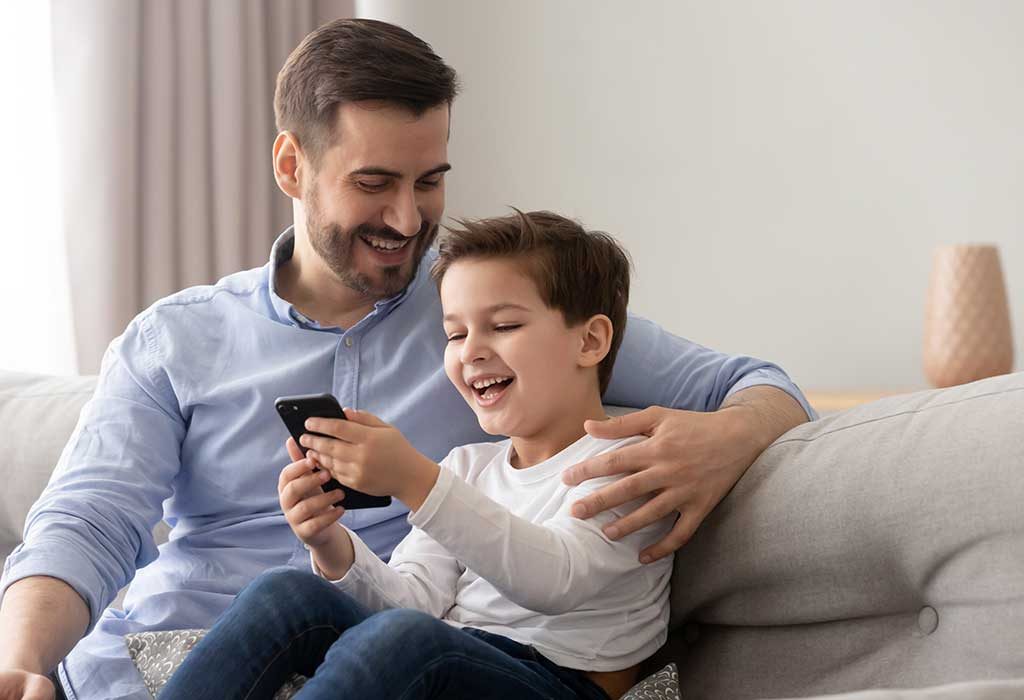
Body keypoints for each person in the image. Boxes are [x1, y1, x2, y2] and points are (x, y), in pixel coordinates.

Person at [0, 18, 812, 700]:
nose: (406, 216)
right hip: (157, 665)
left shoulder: (499, 305)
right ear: (293, 166)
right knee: (297, 599)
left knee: (394, 642)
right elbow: (86, 521)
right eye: (375, 182)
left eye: (430, 181)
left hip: (394, 664)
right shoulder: (174, 339)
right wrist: (22, 662)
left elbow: (752, 387)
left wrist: (725, 439)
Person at [162, 210, 675, 700]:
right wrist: (329, 545)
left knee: (406, 639)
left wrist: (415, 480)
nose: (470, 350)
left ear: (590, 340)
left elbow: (555, 580)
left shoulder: (630, 462)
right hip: (451, 656)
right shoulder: (469, 467)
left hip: (560, 683)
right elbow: (415, 598)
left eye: (503, 326)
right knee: (284, 593)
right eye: (455, 333)